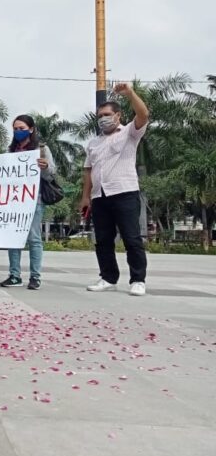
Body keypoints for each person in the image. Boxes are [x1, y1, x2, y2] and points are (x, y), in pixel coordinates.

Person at [81, 82, 149, 296]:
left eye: (107, 114)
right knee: (102, 239)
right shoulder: (93, 143)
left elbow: (143, 115)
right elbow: (88, 171)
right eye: (100, 115)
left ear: (118, 115)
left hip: (124, 192)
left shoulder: (129, 133)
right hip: (100, 196)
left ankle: (138, 279)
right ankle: (108, 277)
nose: (103, 119)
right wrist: (86, 197)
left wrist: (130, 94)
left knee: (131, 237)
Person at [0, 115, 56, 290]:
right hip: (13, 200)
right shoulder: (10, 151)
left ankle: (35, 277)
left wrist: (45, 167)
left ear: (31, 129)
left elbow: (52, 174)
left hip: (34, 200)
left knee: (34, 238)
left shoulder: (42, 149)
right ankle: (14, 275)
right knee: (13, 238)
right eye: (15, 129)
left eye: (21, 128)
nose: (18, 132)